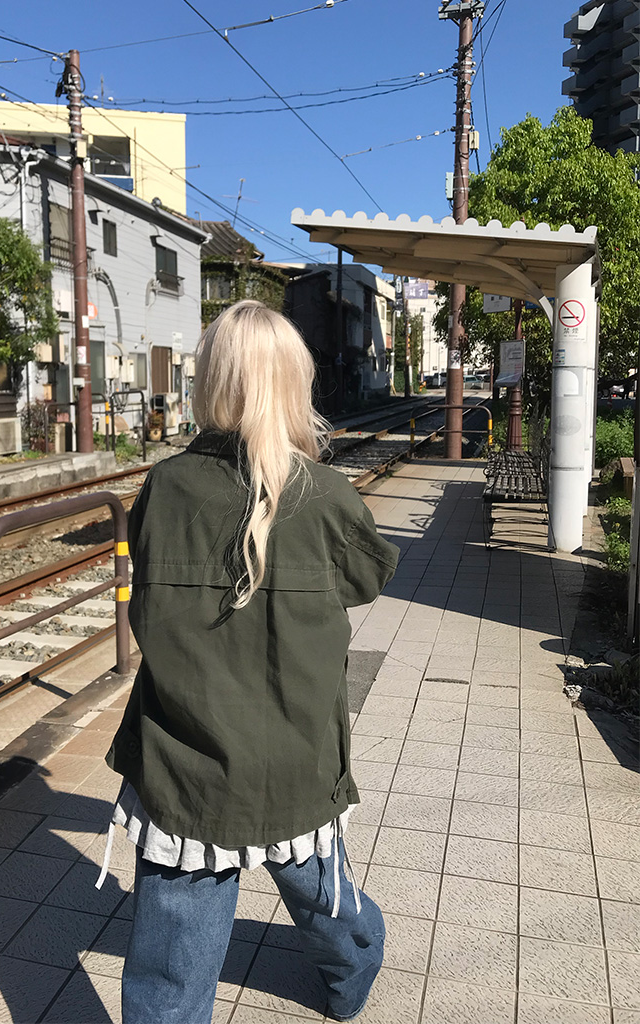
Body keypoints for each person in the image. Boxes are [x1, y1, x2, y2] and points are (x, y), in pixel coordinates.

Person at [99, 300, 399, 1023]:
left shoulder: (165, 487)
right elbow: (367, 579)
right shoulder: (326, 495)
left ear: (212, 382)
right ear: (294, 382)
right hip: (298, 756)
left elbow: (145, 604)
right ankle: (351, 978)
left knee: (171, 965)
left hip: (188, 763)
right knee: (325, 898)